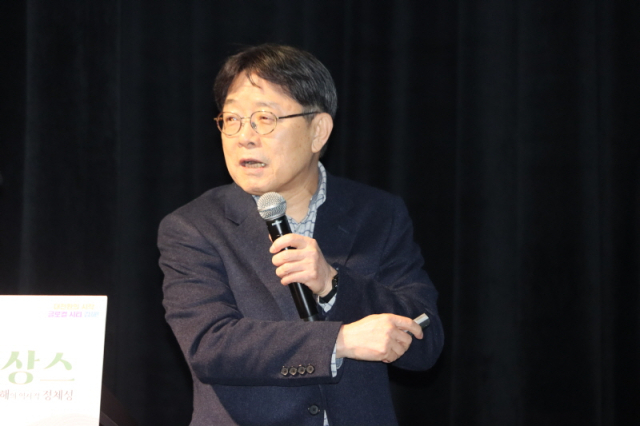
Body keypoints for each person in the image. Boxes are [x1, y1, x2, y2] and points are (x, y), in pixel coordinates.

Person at [158, 43, 444, 426]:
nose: (245, 136)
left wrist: (334, 284)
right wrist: (340, 341)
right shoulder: (194, 226)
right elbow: (209, 344)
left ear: (318, 131)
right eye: (232, 119)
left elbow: (425, 338)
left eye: (264, 118)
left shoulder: (378, 214)